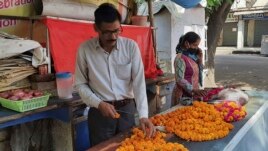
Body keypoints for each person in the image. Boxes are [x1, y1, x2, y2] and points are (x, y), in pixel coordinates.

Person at [75, 3, 155, 146]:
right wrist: (98, 104)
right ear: (96, 28)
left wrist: (143, 115)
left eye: (117, 31)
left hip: (127, 111)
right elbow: (80, 84)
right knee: (103, 148)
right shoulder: (85, 50)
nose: (113, 36)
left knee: (130, 146)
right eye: (107, 32)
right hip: (100, 114)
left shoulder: (131, 47)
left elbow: (138, 83)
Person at [172, 31, 207, 105]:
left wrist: (200, 60)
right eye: (195, 45)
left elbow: (198, 72)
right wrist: (193, 89)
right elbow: (179, 79)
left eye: (197, 45)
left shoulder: (192, 57)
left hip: (193, 94)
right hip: (183, 96)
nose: (197, 48)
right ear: (187, 43)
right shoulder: (180, 58)